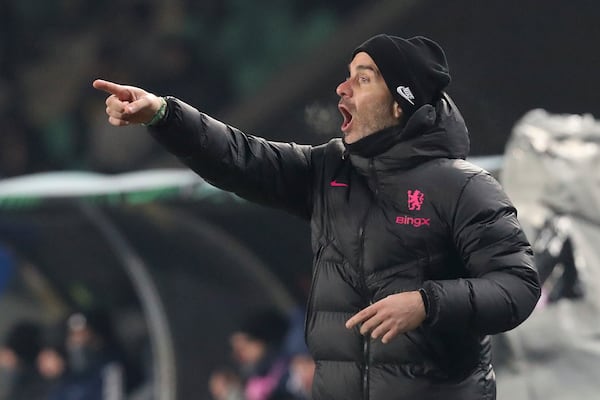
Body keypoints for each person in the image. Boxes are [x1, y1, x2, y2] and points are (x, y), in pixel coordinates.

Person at [93, 33, 541, 399]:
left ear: (401, 103)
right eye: (346, 77)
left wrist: (427, 302)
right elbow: (240, 156)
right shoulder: (328, 169)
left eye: (362, 80)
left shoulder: (462, 186)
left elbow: (518, 286)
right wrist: (163, 115)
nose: (342, 89)